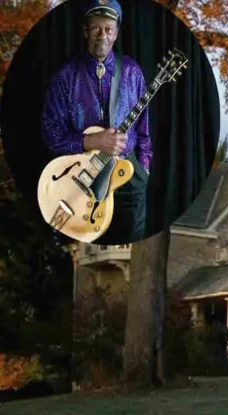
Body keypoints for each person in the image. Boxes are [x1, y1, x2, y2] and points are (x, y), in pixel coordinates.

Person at [40, 0, 152, 244]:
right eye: (96, 28)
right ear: (85, 31)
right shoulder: (64, 78)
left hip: (128, 174)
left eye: (108, 29)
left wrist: (144, 167)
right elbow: (51, 133)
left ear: (116, 33)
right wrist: (90, 141)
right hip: (82, 176)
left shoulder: (132, 72)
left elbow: (144, 130)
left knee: (135, 242)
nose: (102, 34)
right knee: (85, 243)